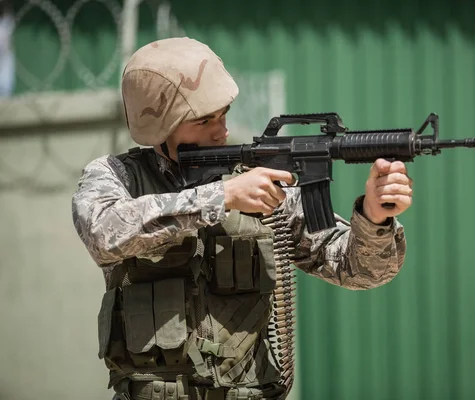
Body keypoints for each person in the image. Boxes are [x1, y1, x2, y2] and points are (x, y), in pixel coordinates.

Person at [72, 37, 412, 400]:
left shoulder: (254, 179)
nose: (221, 131)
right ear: (160, 127)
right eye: (203, 121)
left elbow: (356, 269)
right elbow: (102, 233)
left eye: (223, 115)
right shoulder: (119, 177)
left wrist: (374, 219)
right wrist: (222, 197)